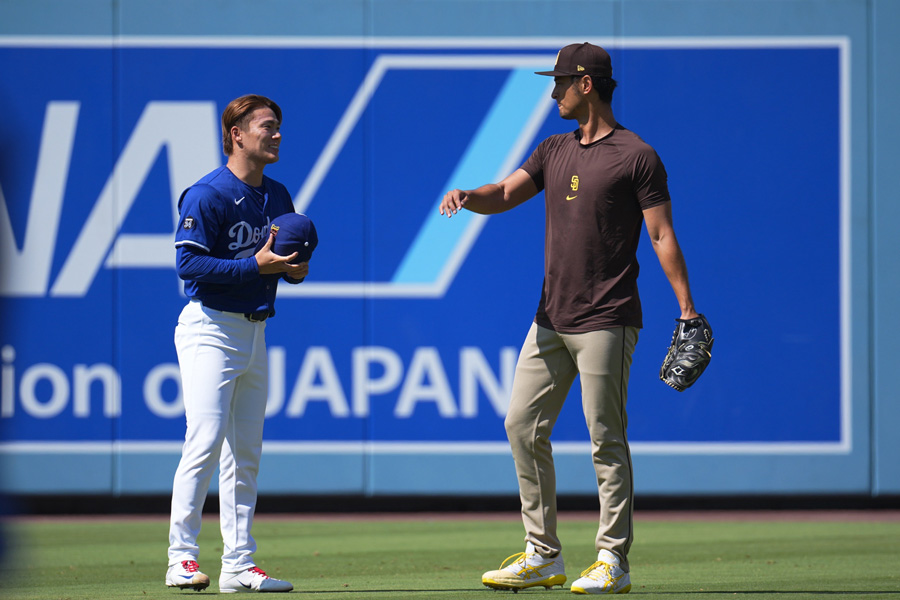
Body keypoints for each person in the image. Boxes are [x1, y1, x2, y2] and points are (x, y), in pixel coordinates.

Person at [439, 43, 700, 595]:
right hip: (551, 318)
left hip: (607, 317)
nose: (552, 92)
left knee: (605, 437)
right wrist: (470, 195)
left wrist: (686, 308)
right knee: (520, 426)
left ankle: (613, 559)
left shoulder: (636, 155)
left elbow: (660, 234)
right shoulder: (554, 148)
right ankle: (543, 554)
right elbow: (507, 191)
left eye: (559, 82)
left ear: (587, 84)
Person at [165, 94, 307, 594]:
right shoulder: (208, 194)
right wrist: (256, 267)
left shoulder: (278, 195)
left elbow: (284, 269)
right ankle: (181, 558)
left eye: (278, 126)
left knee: (244, 451)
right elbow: (188, 267)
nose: (277, 135)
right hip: (209, 328)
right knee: (203, 440)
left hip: (255, 328)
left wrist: (294, 270)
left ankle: (237, 565)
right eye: (267, 127)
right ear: (237, 134)